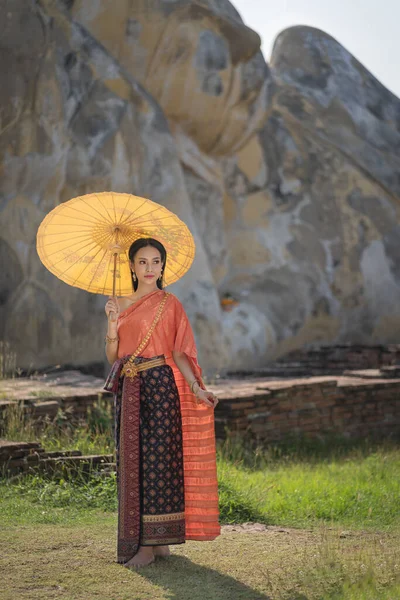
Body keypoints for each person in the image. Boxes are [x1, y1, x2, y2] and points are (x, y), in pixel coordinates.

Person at [103, 237, 220, 569]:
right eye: (143, 262)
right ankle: (147, 542)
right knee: (133, 463)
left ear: (163, 266)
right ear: (131, 266)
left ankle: (155, 544)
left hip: (160, 387)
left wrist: (197, 388)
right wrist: (112, 324)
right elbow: (114, 355)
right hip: (130, 388)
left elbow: (180, 353)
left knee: (159, 463)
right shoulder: (120, 303)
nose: (150, 268)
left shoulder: (170, 304)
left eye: (156, 261)